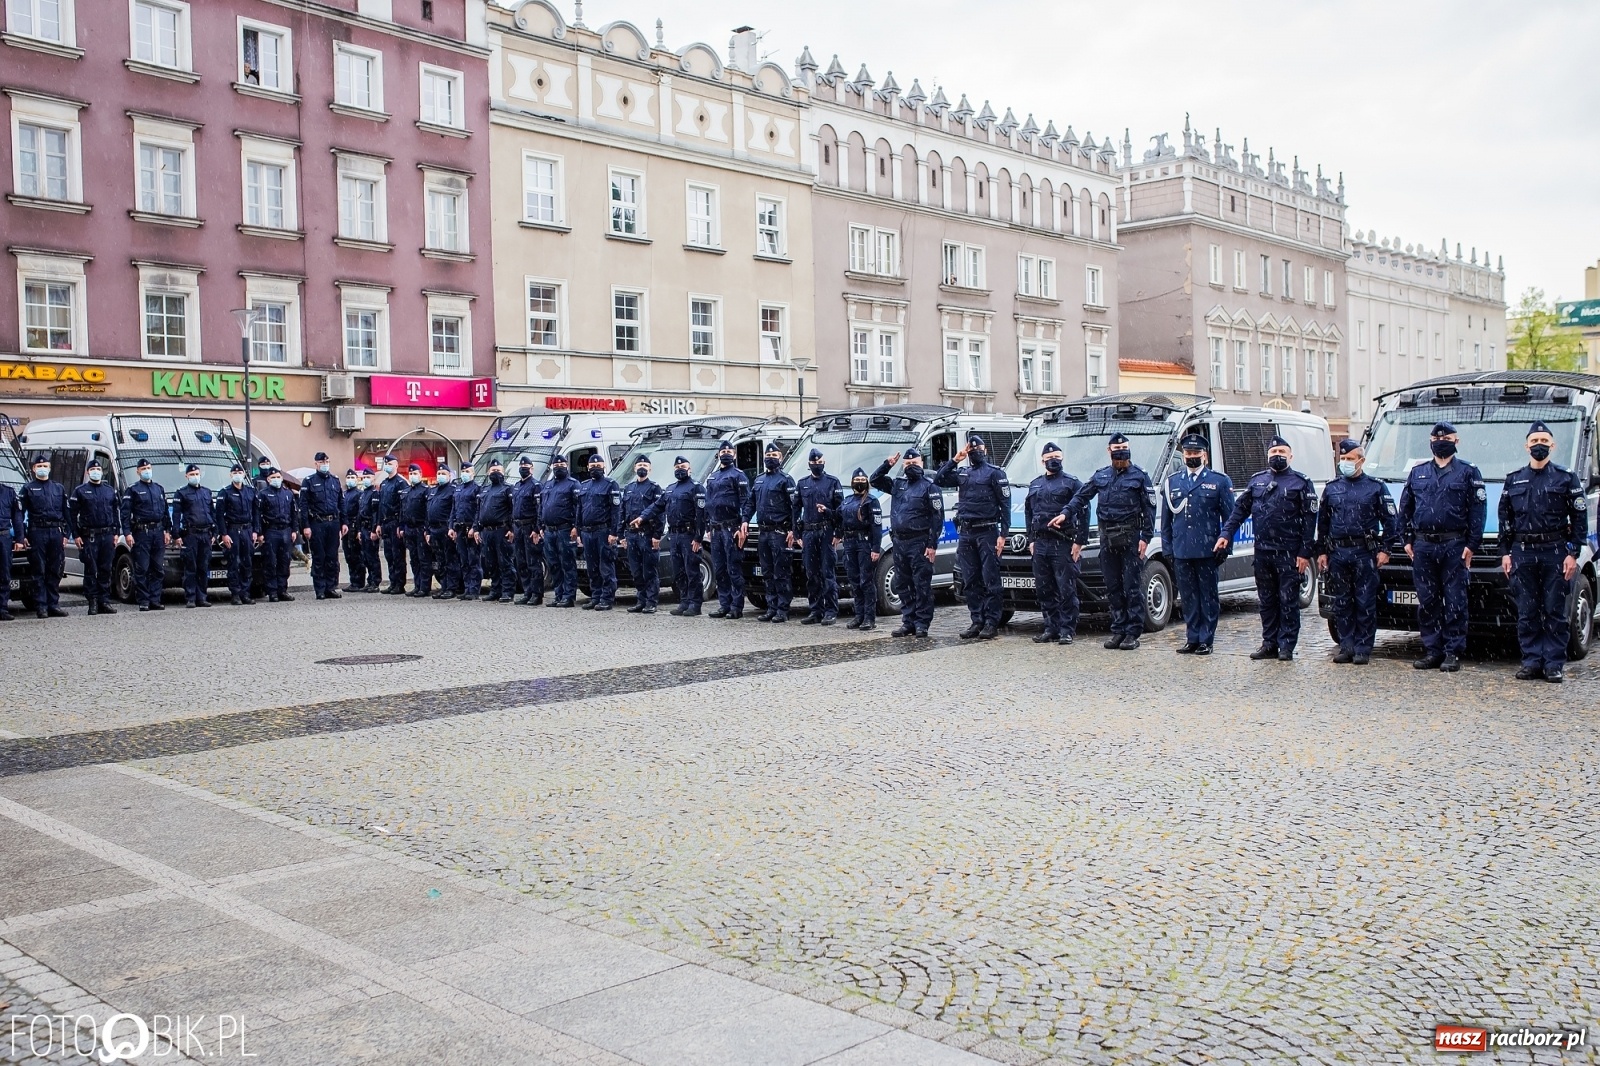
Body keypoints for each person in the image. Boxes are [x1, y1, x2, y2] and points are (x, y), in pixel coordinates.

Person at [1499, 421, 1587, 683]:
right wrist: (1505, 552)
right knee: (1527, 610)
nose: (1539, 445)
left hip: (1555, 551)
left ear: (1553, 445)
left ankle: (1553, 664)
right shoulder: (1514, 479)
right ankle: (1531, 661)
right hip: (1523, 552)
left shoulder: (1565, 478)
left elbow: (1579, 517)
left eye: (1544, 441)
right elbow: (1505, 517)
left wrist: (1573, 552)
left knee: (1554, 610)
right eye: (1535, 441)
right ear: (1527, 445)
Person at [1218, 436, 1317, 662]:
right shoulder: (1257, 481)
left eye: (1282, 451)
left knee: (1288, 601)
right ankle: (1269, 643)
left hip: (1289, 553)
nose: (1277, 455)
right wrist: (1226, 534)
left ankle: (1286, 646)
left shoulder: (1301, 483)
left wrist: (1304, 553)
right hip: (1263, 552)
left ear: (1290, 456)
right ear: (1268, 456)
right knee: (1267, 601)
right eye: (1273, 452)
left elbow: (1310, 521)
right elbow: (1239, 510)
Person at [1398, 421, 1486, 672]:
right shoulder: (1418, 472)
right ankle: (1432, 650)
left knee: (1455, 601)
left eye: (1445, 438)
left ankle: (1452, 652)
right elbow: (1405, 508)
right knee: (1427, 601)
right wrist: (1406, 540)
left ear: (1456, 441)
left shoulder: (1468, 472)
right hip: (1424, 546)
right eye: (1435, 438)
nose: (1440, 441)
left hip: (1454, 544)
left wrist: (1472, 544)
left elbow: (1478, 511)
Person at [1070, 433, 1156, 651]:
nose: (1120, 452)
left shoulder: (1139, 476)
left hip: (1130, 539)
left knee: (1132, 587)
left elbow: (1149, 508)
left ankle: (1132, 632)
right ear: (1109, 451)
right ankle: (1118, 629)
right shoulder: (1101, 476)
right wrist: (1066, 512)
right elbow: (1082, 496)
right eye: (1116, 449)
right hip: (1107, 540)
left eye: (1124, 448)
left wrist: (1146, 537)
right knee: (1113, 587)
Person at [1315, 440, 1397, 666]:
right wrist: (1321, 550)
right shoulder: (1332, 488)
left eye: (1350, 459)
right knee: (1342, 602)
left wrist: (1386, 550)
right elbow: (1323, 523)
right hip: (1338, 552)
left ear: (1361, 460)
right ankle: (1347, 646)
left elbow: (1391, 522)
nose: (1346, 463)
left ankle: (1363, 648)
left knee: (1364, 602)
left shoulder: (1375, 487)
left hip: (1364, 552)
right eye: (1343, 459)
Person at [933, 433, 1011, 640]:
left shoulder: (995, 473)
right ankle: (977, 620)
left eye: (978, 450)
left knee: (990, 579)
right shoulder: (963, 472)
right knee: (970, 579)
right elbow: (938, 479)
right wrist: (955, 460)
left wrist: (1003, 534)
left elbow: (1005, 505)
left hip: (987, 531)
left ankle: (992, 622)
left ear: (985, 451)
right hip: (967, 532)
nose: (975, 452)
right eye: (972, 450)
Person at [1161, 434, 1233, 655]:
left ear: (1205, 456)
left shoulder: (1219, 481)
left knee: (1208, 597)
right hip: (1182, 550)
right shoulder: (1173, 481)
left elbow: (1229, 519)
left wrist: (1225, 548)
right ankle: (1192, 637)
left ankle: (1206, 639)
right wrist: (1168, 549)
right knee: (1188, 597)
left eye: (1195, 453)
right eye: (1188, 453)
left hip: (1207, 549)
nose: (1191, 457)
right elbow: (1166, 521)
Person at [870, 447, 943, 638]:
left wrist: (932, 545)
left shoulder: (929, 486)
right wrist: (887, 465)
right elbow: (874, 480)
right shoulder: (898, 485)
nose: (911, 467)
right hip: (900, 543)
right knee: (903, 584)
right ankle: (908, 621)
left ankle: (922, 623)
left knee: (921, 585)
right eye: (908, 464)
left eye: (915, 463)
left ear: (922, 464)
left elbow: (937, 518)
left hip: (919, 543)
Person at [1025, 441, 1086, 646]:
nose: (1053, 461)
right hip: (1041, 543)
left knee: (1066, 589)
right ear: (1042, 461)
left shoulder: (1071, 483)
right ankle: (1051, 627)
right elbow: (1029, 512)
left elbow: (1084, 510)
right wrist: (1031, 539)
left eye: (1057, 458)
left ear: (1062, 459)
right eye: (1050, 458)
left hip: (1063, 543)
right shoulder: (1035, 484)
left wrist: (1080, 541)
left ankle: (1067, 630)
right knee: (1044, 588)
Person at [646, 455, 707, 616]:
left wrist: (698, 538)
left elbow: (702, 515)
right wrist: (642, 517)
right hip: (674, 535)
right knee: (678, 571)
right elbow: (657, 506)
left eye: (683, 467)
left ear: (690, 469)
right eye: (677, 468)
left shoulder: (696, 487)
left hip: (689, 535)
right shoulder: (671, 488)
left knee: (692, 571)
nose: (680, 470)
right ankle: (684, 601)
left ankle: (695, 604)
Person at [746, 444, 797, 623]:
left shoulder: (785, 480)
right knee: (767, 572)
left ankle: (783, 609)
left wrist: (792, 529)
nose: (770, 457)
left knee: (780, 572)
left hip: (779, 533)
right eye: (767, 455)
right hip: (763, 533)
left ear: (780, 458)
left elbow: (794, 507)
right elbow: (750, 503)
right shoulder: (759, 480)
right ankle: (771, 607)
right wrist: (745, 519)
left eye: (774, 454)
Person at [795, 449, 843, 625]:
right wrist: (797, 533)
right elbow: (795, 509)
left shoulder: (832, 482)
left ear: (824, 462)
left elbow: (841, 510)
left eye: (819, 461)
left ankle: (830, 610)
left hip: (826, 532)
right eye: (814, 462)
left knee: (827, 573)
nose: (817, 464)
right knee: (812, 574)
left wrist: (839, 533)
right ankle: (815, 610)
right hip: (809, 533)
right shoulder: (802, 484)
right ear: (809, 464)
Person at [66, 458, 120, 615]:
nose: (96, 472)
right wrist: (75, 535)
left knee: (106, 569)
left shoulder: (109, 490)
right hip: (90, 536)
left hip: (107, 535)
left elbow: (115, 512)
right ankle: (93, 602)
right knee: (91, 570)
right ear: (87, 472)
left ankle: (104, 601)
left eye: (98, 470)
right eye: (92, 470)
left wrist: (116, 532)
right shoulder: (81, 491)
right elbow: (71, 514)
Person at [18, 454, 69, 618]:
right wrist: (23, 535)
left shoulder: (58, 488)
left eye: (45, 466)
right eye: (39, 466)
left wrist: (66, 533)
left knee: (55, 569)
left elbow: (66, 513)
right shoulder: (28, 488)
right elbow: (20, 514)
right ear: (33, 469)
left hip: (56, 532)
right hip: (37, 532)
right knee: (39, 570)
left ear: (49, 468)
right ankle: (41, 606)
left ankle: (53, 604)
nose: (42, 468)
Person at [705, 440, 751, 619]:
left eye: (728, 450)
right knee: (720, 568)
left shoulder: (738, 476)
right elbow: (709, 503)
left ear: (734, 454)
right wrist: (709, 525)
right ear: (718, 454)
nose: (725, 453)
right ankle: (724, 604)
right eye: (723, 450)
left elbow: (745, 502)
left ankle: (736, 606)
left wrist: (742, 525)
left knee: (733, 568)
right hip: (716, 529)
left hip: (731, 528)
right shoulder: (713, 476)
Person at [120, 457, 171, 612]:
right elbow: (125, 513)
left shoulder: (158, 489)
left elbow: (165, 512)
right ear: (138, 471)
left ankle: (155, 599)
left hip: (157, 532)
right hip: (142, 532)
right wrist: (127, 533)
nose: (146, 471)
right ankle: (143, 600)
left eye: (148, 468)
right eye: (143, 469)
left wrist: (167, 531)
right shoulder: (133, 490)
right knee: (142, 568)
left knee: (158, 569)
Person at [838, 468, 883, 631]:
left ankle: (869, 618)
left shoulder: (872, 501)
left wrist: (875, 548)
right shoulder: (847, 500)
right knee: (854, 581)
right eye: (856, 481)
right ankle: (859, 615)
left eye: (862, 480)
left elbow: (877, 526)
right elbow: (838, 516)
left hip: (864, 544)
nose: (859, 483)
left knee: (866, 582)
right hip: (849, 544)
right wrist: (825, 511)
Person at [576, 454, 622, 610]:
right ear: (588, 467)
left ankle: (607, 598)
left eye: (598, 466)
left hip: (603, 531)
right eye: (592, 466)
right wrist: (579, 531)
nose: (595, 468)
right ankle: (596, 596)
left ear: (604, 467)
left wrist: (614, 533)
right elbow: (579, 510)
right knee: (592, 567)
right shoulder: (584, 485)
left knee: (606, 566)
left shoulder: (610, 485)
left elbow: (616, 511)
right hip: (587, 532)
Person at [298, 451, 345, 600]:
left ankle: (330, 587)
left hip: (333, 522)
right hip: (317, 523)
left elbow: (341, 502)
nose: (325, 465)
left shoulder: (334, 480)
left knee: (332, 557)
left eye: (327, 462)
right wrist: (305, 525)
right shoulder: (309, 481)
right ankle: (320, 588)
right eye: (322, 463)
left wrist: (344, 522)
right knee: (319, 557)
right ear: (316, 464)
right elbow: (303, 506)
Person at [622, 456, 664, 613]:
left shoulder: (654, 488)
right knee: (636, 571)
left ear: (650, 469)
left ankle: (651, 601)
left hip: (647, 535)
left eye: (645, 465)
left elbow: (660, 513)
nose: (642, 467)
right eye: (639, 464)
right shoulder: (629, 488)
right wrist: (621, 534)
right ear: (634, 468)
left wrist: (657, 535)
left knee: (649, 570)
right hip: (631, 535)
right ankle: (641, 600)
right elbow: (623, 512)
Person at [215, 462, 260, 606]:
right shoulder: (225, 492)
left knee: (247, 562)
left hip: (247, 530)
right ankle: (235, 594)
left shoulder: (250, 491)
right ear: (230, 476)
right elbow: (219, 516)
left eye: (240, 473)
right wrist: (223, 534)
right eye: (234, 473)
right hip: (232, 531)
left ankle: (245, 593)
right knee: (234, 563)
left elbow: (256, 512)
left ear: (244, 474)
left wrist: (256, 531)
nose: (237, 475)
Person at [171, 462, 216, 608]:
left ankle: (202, 596)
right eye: (191, 474)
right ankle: (190, 597)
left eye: (196, 474)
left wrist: (214, 532)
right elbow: (176, 516)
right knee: (191, 567)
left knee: (203, 567)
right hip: (190, 535)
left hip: (205, 534)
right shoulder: (181, 493)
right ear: (186, 476)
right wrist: (176, 534)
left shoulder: (206, 492)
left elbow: (212, 513)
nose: (195, 476)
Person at [540, 455, 581, 608]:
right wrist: (541, 526)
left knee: (567, 563)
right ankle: (558, 594)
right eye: (556, 464)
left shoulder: (573, 484)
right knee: (554, 564)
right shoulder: (548, 485)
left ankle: (569, 596)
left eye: (562, 464)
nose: (559, 466)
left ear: (567, 465)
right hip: (549, 531)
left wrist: (576, 527)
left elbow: (579, 507)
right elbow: (542, 506)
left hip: (565, 530)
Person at [475, 458, 516, 603]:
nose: (495, 473)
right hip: (487, 531)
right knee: (491, 563)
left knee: (505, 562)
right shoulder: (484, 489)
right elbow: (479, 510)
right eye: (493, 471)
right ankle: (495, 590)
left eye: (498, 471)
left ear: (503, 472)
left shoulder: (507, 488)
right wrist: (476, 528)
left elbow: (513, 510)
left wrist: (512, 529)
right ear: (488, 472)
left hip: (502, 530)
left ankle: (507, 591)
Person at [256, 466, 297, 602]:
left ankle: (282, 590)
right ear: (268, 479)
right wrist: (260, 532)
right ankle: (272, 592)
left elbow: (294, 513)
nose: (276, 479)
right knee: (270, 562)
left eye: (278, 477)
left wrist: (294, 530)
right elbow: (257, 515)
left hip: (285, 530)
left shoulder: (288, 493)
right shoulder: (263, 494)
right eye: (273, 478)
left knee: (284, 562)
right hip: (271, 531)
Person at [511, 456, 544, 606]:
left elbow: (539, 509)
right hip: (518, 527)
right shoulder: (517, 485)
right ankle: (527, 591)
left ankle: (537, 594)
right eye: (521, 466)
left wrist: (537, 529)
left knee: (533, 562)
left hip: (530, 527)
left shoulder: (536, 486)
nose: (523, 468)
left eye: (526, 466)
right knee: (521, 562)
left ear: (531, 468)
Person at [424, 465, 459, 598]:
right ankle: (444, 586)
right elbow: (428, 512)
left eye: (443, 473)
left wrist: (452, 527)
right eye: (438, 473)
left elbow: (454, 511)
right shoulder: (433, 491)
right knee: (440, 561)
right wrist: (427, 531)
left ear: (450, 476)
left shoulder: (453, 490)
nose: (440, 476)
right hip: (434, 530)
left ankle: (452, 587)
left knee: (450, 559)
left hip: (445, 528)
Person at [375, 454, 407, 594]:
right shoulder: (384, 483)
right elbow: (380, 506)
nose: (387, 465)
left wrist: (401, 525)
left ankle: (400, 584)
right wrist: (378, 524)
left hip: (395, 522)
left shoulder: (401, 483)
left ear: (396, 465)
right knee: (388, 554)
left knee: (397, 554)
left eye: (390, 463)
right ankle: (392, 582)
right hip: (386, 522)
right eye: (386, 463)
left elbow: (403, 506)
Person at [451, 460, 483, 599]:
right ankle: (467, 588)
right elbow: (454, 509)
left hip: (470, 528)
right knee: (464, 561)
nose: (464, 474)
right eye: (463, 471)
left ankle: (474, 590)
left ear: (473, 473)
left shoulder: (477, 489)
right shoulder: (458, 489)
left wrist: (475, 527)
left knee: (473, 561)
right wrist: (451, 526)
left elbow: (479, 510)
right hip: (459, 528)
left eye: (467, 471)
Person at [400, 463, 431, 597]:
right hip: (409, 528)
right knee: (414, 558)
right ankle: (417, 585)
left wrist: (426, 528)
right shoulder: (407, 491)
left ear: (420, 474)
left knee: (423, 558)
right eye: (411, 474)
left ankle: (424, 587)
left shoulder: (425, 490)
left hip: (420, 528)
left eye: (415, 474)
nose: (412, 476)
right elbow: (403, 510)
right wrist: (402, 526)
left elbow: (428, 511)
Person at [341, 469, 367, 592]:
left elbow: (360, 513)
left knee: (357, 555)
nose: (350, 479)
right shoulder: (344, 494)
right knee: (349, 555)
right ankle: (353, 580)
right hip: (346, 527)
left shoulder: (359, 494)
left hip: (354, 526)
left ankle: (359, 581)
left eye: (352, 477)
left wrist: (358, 529)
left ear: (357, 480)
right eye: (348, 477)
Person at [0, 472, 19, 621]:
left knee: (4, 573)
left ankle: (2, 608)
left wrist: (19, 538)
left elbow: (17, 517)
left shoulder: (9, 492)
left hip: (4, 536)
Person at [358, 470, 381, 592]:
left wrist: (373, 530)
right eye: (364, 477)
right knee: (365, 557)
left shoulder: (374, 493)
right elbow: (360, 513)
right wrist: (359, 530)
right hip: (363, 527)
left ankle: (375, 582)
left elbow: (375, 513)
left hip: (370, 527)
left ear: (373, 478)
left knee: (372, 557)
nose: (365, 479)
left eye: (368, 477)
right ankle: (370, 580)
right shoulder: (363, 493)